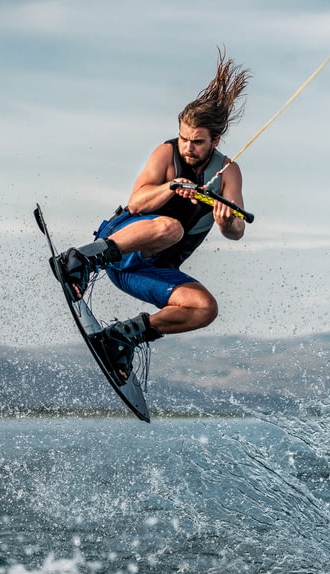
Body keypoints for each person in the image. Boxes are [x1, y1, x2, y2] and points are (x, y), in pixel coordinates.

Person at [55, 51, 251, 383]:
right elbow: (136, 203)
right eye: (184, 138)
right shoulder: (166, 153)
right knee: (171, 226)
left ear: (214, 141)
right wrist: (171, 188)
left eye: (197, 142)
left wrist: (225, 221)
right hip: (119, 246)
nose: (188, 147)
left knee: (206, 308)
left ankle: (121, 338)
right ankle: (79, 262)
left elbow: (237, 231)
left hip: (146, 271)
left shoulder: (228, 172)